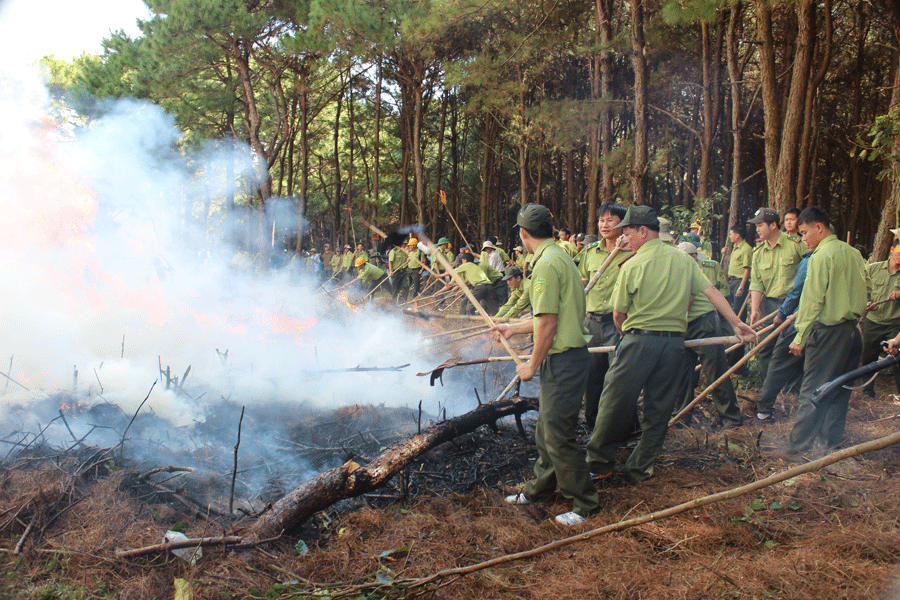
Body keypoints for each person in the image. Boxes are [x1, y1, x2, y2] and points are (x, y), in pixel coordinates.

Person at [586, 206, 756, 484]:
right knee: (659, 409)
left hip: (638, 341)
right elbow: (710, 291)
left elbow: (618, 315)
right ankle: (640, 467)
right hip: (674, 345)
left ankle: (598, 463)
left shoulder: (632, 265)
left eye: (627, 233)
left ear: (643, 231)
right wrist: (736, 322)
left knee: (614, 401)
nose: (624, 239)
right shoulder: (684, 260)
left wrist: (626, 334)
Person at [491, 203, 598, 526]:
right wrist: (512, 328)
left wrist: (530, 365)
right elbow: (546, 316)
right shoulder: (558, 256)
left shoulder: (547, 265)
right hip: (564, 359)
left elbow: (549, 324)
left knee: (558, 434)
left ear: (524, 234)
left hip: (564, 360)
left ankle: (585, 503)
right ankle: (539, 489)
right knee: (546, 430)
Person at [784, 207, 866, 455]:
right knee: (840, 390)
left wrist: (800, 337)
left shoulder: (820, 257)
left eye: (805, 232)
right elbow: (868, 287)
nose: (803, 238)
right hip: (852, 333)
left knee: (814, 390)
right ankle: (831, 443)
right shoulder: (854, 254)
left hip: (829, 333)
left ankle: (797, 447)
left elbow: (812, 300)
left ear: (819, 227)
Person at [673, 242, 744, 429]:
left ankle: (732, 420)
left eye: (690, 256)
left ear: (695, 257)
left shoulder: (692, 270)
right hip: (684, 324)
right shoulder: (675, 266)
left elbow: (687, 301)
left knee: (715, 372)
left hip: (703, 323)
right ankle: (680, 418)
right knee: (683, 374)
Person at [579, 202, 633, 431]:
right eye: (602, 220)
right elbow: (581, 281)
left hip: (618, 324)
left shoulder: (633, 252)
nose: (604, 224)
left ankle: (622, 429)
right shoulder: (590, 253)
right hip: (591, 324)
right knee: (592, 378)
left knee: (618, 379)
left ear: (622, 223)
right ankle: (593, 427)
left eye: (610, 220)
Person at [754, 245, 814, 420]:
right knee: (808, 364)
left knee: (779, 361)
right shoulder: (843, 257)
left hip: (800, 317)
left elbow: (797, 290)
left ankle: (764, 409)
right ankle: (800, 403)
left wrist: (782, 313)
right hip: (823, 322)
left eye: (805, 233)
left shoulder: (811, 259)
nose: (805, 240)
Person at [747, 207, 804, 388]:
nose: (757, 229)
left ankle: (791, 393)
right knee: (765, 350)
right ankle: (767, 391)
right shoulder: (758, 252)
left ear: (773, 225)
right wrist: (755, 310)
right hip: (769, 306)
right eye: (756, 226)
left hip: (795, 307)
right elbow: (756, 284)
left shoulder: (796, 244)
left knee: (790, 350)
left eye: (760, 225)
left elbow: (811, 268)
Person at [860, 241, 900, 396]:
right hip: (873, 321)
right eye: (898, 251)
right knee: (868, 357)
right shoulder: (873, 269)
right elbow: (862, 290)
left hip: (895, 323)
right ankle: (867, 391)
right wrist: (867, 303)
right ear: (891, 249)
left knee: (896, 360)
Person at [726, 225, 752, 314]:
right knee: (731, 308)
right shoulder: (735, 247)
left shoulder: (746, 249)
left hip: (739, 282)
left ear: (738, 236)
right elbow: (735, 262)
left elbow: (747, 269)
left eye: (731, 234)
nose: (730, 236)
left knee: (738, 310)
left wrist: (741, 287)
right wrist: (725, 254)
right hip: (732, 281)